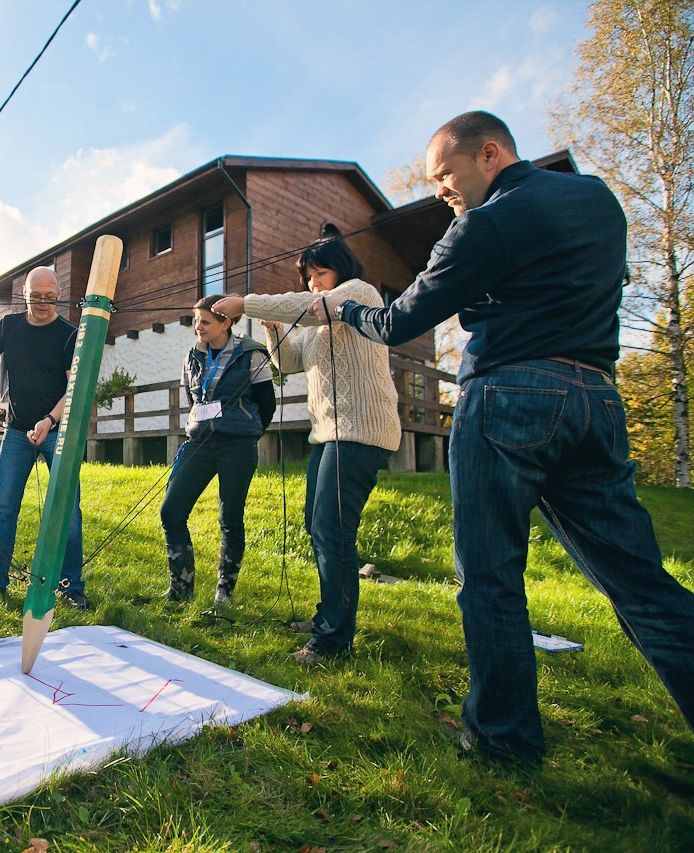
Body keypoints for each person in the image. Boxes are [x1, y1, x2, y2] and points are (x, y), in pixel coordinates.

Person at [309, 110, 694, 762]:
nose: (440, 191)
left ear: (490, 154)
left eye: (445, 175)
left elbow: (402, 321)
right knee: (639, 581)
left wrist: (346, 309)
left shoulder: (481, 226)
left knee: (490, 576)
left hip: (510, 399)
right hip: (596, 399)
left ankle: (503, 739)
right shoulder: (598, 202)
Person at [215, 233, 400, 663]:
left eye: (321, 273)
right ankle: (328, 618)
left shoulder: (358, 293)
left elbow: (305, 306)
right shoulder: (322, 312)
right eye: (309, 276)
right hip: (330, 433)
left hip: (359, 430)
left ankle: (333, 639)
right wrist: (274, 330)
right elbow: (290, 362)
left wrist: (246, 303)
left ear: (342, 269)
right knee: (319, 527)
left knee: (332, 530)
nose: (314, 283)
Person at [0, 266, 88, 609]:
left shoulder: (69, 335)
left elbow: (75, 388)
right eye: (37, 297)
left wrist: (50, 420)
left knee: (67, 509)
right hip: (17, 432)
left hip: (57, 431)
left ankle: (71, 587)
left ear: (58, 296)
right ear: (25, 294)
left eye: (51, 298)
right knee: (4, 506)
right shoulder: (8, 326)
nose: (44, 304)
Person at [159, 294, 275, 606]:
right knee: (171, 511)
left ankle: (225, 590)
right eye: (196, 320)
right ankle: (180, 589)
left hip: (237, 445)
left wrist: (245, 430)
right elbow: (192, 399)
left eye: (205, 321)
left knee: (230, 516)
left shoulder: (252, 354)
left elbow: (267, 404)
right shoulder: (192, 356)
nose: (198, 327)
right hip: (200, 443)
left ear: (226, 323)